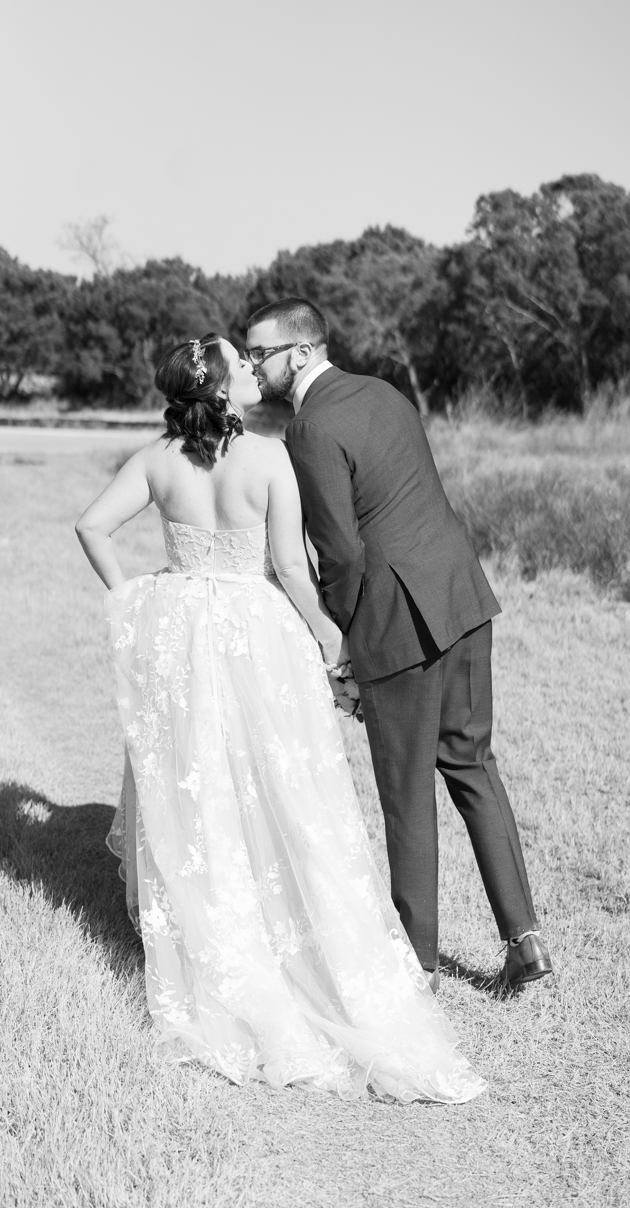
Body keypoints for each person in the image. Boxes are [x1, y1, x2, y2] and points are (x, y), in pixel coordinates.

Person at [75, 333, 485, 1103]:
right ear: (228, 387)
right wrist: (332, 640)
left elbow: (91, 528)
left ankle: (219, 953)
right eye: (240, 362)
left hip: (184, 633)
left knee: (200, 785)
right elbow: (294, 569)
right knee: (282, 787)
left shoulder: (156, 460)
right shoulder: (267, 458)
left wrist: (131, 595)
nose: (248, 369)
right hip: (254, 634)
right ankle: (298, 939)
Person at [245, 298, 553, 992]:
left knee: (407, 792)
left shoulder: (311, 427)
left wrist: (342, 639)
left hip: (396, 618)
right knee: (473, 766)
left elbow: (342, 553)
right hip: (461, 594)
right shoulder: (384, 391)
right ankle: (526, 941)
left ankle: (416, 965)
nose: (251, 364)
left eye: (259, 352)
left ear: (300, 351)